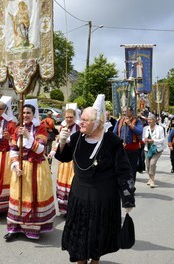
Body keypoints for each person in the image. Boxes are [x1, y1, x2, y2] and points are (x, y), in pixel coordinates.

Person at [56, 94, 135, 264]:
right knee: (79, 236)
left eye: (85, 120)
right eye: (80, 119)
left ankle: (95, 260)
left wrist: (127, 197)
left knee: (97, 235)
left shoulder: (112, 142)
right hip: (79, 196)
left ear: (98, 123)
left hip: (103, 198)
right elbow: (64, 158)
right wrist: (62, 143)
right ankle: (81, 260)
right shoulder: (77, 138)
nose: (80, 122)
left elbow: (124, 171)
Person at [4, 99, 56, 242]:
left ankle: (32, 229)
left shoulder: (40, 129)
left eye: (28, 113)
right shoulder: (16, 129)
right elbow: (13, 150)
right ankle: (14, 228)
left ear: (34, 114)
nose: (26, 115)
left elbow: (40, 150)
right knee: (18, 195)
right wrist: (15, 165)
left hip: (36, 167)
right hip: (22, 167)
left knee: (33, 196)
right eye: (24, 112)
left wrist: (27, 136)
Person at [49, 109, 80, 215]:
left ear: (75, 117)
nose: (68, 119)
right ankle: (65, 209)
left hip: (74, 161)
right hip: (63, 162)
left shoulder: (79, 128)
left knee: (72, 184)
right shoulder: (62, 127)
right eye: (67, 117)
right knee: (63, 185)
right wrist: (53, 151)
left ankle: (73, 209)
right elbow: (58, 142)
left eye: (71, 117)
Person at [113, 106, 143, 181]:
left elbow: (139, 131)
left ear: (130, 112)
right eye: (123, 111)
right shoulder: (120, 121)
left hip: (133, 150)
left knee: (132, 169)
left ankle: (131, 187)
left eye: (125, 111)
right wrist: (118, 142)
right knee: (120, 168)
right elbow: (114, 133)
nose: (124, 113)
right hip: (122, 149)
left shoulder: (137, 121)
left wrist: (130, 124)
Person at [143, 113, 166, 188]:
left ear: (154, 120)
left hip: (157, 149)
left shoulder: (160, 128)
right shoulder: (145, 128)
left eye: (150, 120)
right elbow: (143, 138)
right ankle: (149, 178)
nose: (149, 121)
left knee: (152, 163)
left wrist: (153, 140)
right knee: (148, 164)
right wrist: (145, 140)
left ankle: (152, 180)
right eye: (148, 119)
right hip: (147, 149)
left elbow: (162, 140)